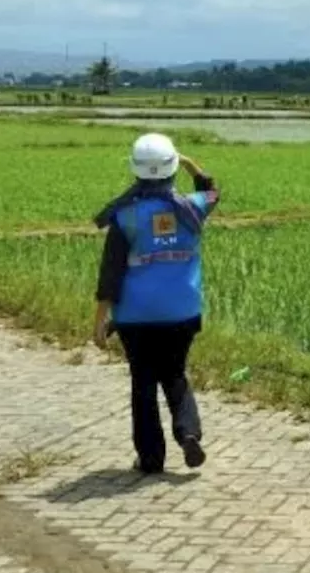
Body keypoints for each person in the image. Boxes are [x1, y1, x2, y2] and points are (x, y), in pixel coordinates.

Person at [91, 132, 221, 475]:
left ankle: (150, 458)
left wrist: (99, 321)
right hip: (182, 311)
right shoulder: (192, 207)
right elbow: (212, 192)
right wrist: (191, 163)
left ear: (135, 171)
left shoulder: (124, 217)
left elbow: (111, 274)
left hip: (135, 317)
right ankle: (189, 433)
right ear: (173, 168)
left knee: (143, 383)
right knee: (175, 373)